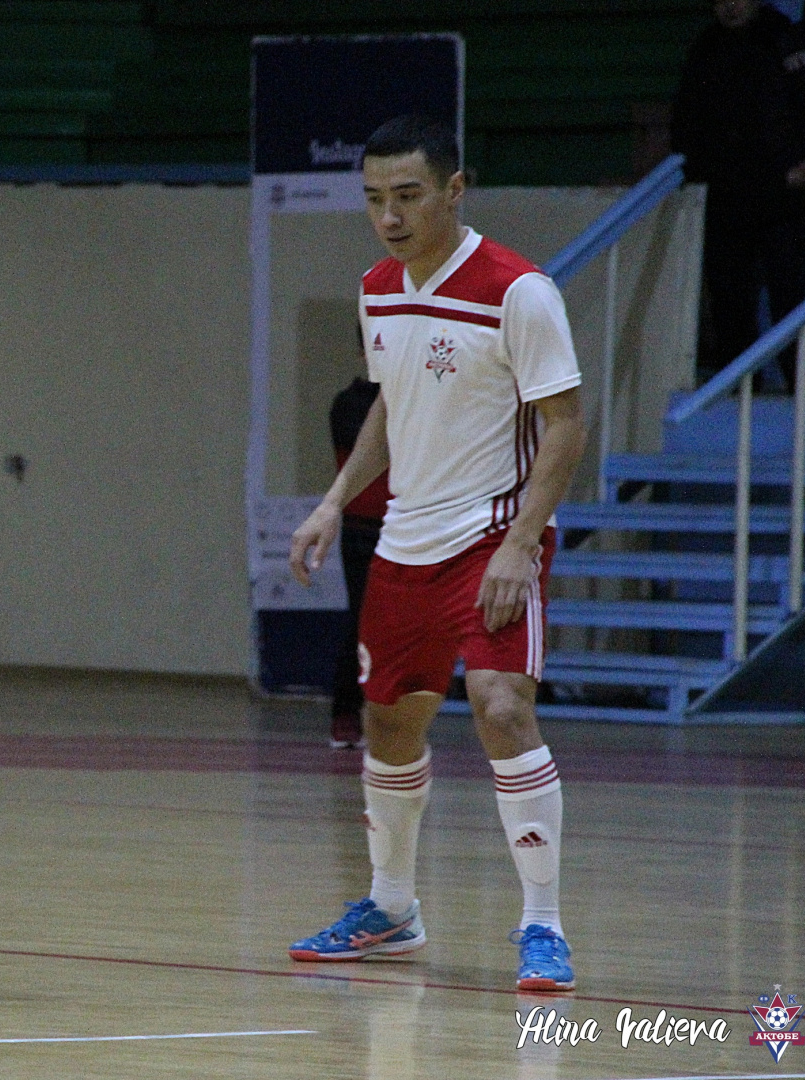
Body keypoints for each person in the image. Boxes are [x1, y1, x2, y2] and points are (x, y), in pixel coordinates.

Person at [287, 115, 587, 992]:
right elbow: (391, 402)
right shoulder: (377, 288)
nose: (389, 216)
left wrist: (521, 543)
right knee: (387, 721)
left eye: (408, 196)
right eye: (374, 199)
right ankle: (390, 909)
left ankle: (542, 924)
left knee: (501, 707)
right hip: (404, 539)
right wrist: (334, 501)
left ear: (455, 190)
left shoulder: (517, 290)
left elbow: (565, 423)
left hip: (493, 534)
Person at [670, 0, 793, 383]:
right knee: (730, 297)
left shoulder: (781, 39)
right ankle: (740, 382)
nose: (731, 6)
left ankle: (799, 380)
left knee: (789, 292)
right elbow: (688, 117)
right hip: (725, 193)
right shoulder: (707, 47)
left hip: (782, 194)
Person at [765, 0, 805, 393]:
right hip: (796, 194)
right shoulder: (786, 43)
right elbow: (773, 111)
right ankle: (800, 381)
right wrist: (794, 165)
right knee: (794, 286)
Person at [326, 377, 388, 749]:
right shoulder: (348, 403)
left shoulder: (408, 393)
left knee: (396, 627)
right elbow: (373, 451)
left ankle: (385, 714)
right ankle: (346, 712)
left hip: (405, 525)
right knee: (360, 622)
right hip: (362, 526)